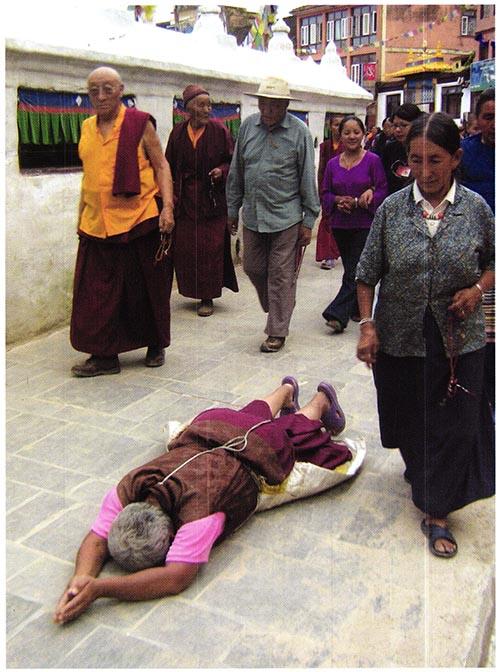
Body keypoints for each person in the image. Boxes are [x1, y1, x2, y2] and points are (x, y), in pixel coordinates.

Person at [53, 377, 348, 623]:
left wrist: (100, 588)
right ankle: (285, 391)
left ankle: (319, 402)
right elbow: (97, 538)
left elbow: (175, 578)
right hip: (211, 423)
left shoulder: (198, 515)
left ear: (171, 533)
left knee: (288, 432)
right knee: (248, 414)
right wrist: (81, 578)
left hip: (257, 444)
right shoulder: (131, 486)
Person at [356, 112, 495, 559]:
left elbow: (493, 263)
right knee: (409, 421)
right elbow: (366, 276)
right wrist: (367, 326)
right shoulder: (392, 210)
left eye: (435, 161)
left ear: (455, 158)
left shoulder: (476, 209)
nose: (426, 172)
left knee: (456, 424)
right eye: (415, 161)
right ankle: (422, 469)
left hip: (460, 340)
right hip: (402, 337)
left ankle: (437, 512)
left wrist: (477, 290)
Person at [70, 66, 175, 377]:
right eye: (94, 91)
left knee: (146, 289)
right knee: (95, 294)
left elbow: (161, 165)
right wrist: (80, 217)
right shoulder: (87, 127)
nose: (101, 96)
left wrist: (167, 207)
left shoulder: (139, 124)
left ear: (120, 90)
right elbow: (89, 177)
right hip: (95, 224)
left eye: (108, 89)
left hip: (138, 219)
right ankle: (104, 356)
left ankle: (155, 343)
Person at [226, 77, 320, 353]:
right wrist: (232, 209)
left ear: (285, 105)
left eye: (273, 105)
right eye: (263, 103)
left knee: (280, 274)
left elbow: (307, 177)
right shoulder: (247, 127)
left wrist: (309, 220)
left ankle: (277, 330)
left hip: (286, 216)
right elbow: (237, 171)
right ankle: (281, 302)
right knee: (253, 266)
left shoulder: (299, 132)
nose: (266, 109)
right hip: (254, 215)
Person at [165, 84, 238, 317]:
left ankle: (208, 297)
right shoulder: (177, 133)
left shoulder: (220, 131)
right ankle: (192, 290)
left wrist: (221, 171)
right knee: (187, 248)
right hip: (185, 199)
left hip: (212, 200)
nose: (207, 110)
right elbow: (168, 165)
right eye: (201, 105)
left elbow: (232, 162)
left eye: (209, 105)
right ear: (188, 108)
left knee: (211, 248)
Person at [320, 116, 387, 334]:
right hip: (341, 225)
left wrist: (362, 199)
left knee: (357, 269)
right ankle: (358, 307)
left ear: (364, 134)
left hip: (365, 223)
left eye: (356, 132)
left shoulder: (373, 161)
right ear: (340, 134)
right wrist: (338, 201)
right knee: (352, 268)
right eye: (346, 132)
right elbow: (325, 192)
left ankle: (337, 313)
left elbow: (382, 191)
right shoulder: (332, 164)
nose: (351, 136)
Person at [460, 88, 495, 413]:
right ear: (477, 120)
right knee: (485, 333)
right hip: (478, 254)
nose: (495, 124)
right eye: (489, 117)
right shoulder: (466, 154)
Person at [315, 115, 342, 270]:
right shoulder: (325, 146)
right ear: (329, 126)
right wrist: (320, 189)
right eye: (335, 124)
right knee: (326, 221)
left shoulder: (348, 145)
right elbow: (321, 169)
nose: (337, 128)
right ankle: (328, 255)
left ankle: (338, 251)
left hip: (343, 189)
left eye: (340, 125)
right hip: (328, 189)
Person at [380, 103, 422, 195]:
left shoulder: (425, 150)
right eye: (395, 126)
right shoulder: (390, 149)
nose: (398, 130)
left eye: (404, 125)